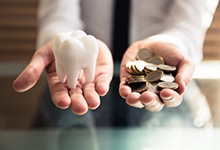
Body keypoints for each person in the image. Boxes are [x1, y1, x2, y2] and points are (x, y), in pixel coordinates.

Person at [13, 0, 218, 127]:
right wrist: (62, 41)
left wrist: (174, 45)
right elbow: (59, 13)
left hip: (174, 118)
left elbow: (188, 21)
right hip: (83, 85)